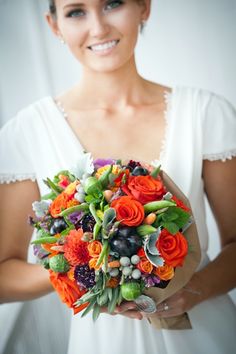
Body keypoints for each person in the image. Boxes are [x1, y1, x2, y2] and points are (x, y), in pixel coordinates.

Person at [0, 0, 236, 353]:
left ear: (144, 7)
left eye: (112, 4)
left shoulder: (205, 113)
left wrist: (194, 290)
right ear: (54, 25)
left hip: (204, 334)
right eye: (76, 11)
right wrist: (81, 273)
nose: (98, 28)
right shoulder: (27, 131)